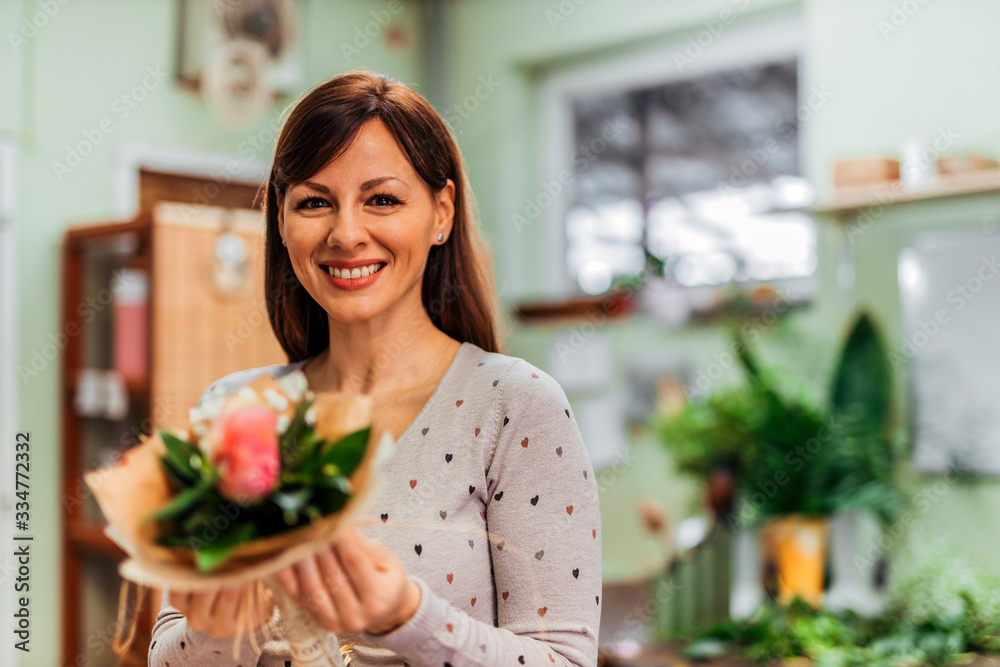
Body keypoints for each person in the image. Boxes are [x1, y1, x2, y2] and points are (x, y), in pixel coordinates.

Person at [148, 70, 601, 667]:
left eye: (381, 199)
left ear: (441, 212)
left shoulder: (516, 406)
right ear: (282, 222)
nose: (346, 233)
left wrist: (406, 618)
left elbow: (565, 662)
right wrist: (234, 609)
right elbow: (167, 658)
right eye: (314, 202)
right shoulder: (233, 411)